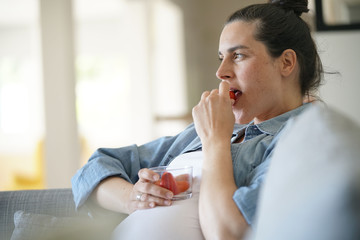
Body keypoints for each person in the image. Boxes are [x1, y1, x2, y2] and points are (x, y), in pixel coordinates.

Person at [71, 0, 323, 239]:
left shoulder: (300, 140)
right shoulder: (214, 129)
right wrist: (133, 197)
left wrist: (215, 141)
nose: (221, 72)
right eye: (221, 57)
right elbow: (94, 168)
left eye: (238, 56)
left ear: (287, 63)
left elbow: (229, 234)